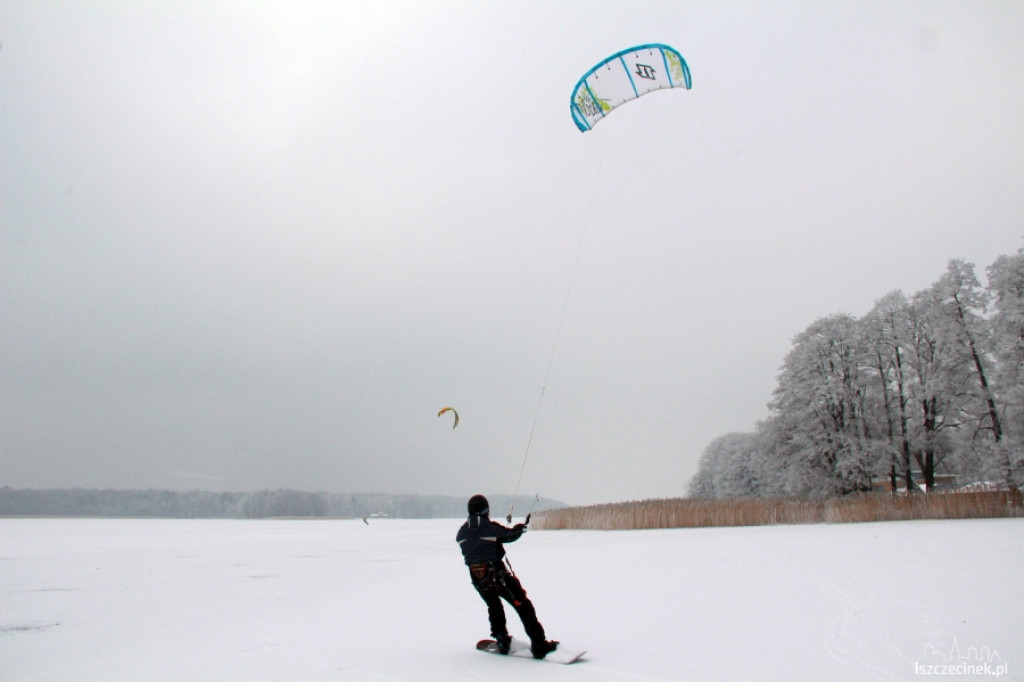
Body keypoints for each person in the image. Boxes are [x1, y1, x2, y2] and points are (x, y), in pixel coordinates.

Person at [456, 494, 558, 659]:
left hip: (479, 580)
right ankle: (539, 646)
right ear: (485, 510)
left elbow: (476, 546)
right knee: (523, 605)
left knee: (494, 606)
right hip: (499, 577)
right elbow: (508, 535)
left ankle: (502, 640)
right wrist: (520, 529)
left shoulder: (462, 532)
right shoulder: (488, 527)